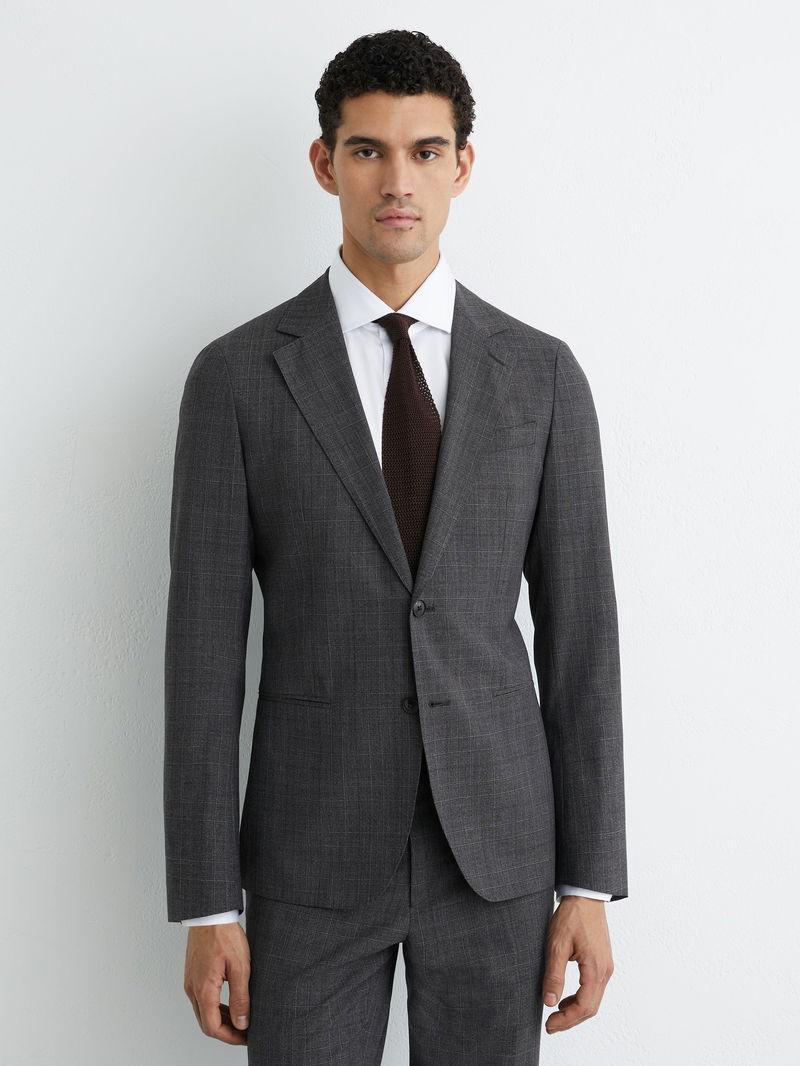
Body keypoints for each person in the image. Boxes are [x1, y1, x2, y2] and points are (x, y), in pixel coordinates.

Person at [164, 28, 628, 1066]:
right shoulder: (237, 378)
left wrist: (587, 882)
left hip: (497, 858)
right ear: (324, 163)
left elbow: (582, 643)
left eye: (425, 150)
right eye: (367, 150)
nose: (397, 181)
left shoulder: (541, 377)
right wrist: (207, 902)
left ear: (462, 166)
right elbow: (201, 659)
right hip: (309, 857)